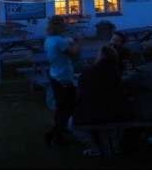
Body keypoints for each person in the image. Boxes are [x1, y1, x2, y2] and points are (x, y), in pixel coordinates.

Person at [68, 45, 133, 156]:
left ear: (102, 56)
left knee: (71, 124)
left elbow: (81, 90)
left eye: (98, 53)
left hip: (95, 114)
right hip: (117, 113)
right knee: (112, 114)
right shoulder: (116, 72)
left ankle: (94, 149)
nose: (96, 55)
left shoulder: (89, 72)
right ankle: (115, 146)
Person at [44, 15, 84, 147]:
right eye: (63, 24)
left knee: (62, 107)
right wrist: (79, 41)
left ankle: (59, 132)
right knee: (67, 107)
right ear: (58, 26)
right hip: (63, 79)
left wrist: (69, 42)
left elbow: (64, 50)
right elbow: (75, 54)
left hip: (55, 75)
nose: (65, 26)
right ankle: (56, 134)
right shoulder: (58, 41)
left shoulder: (50, 39)